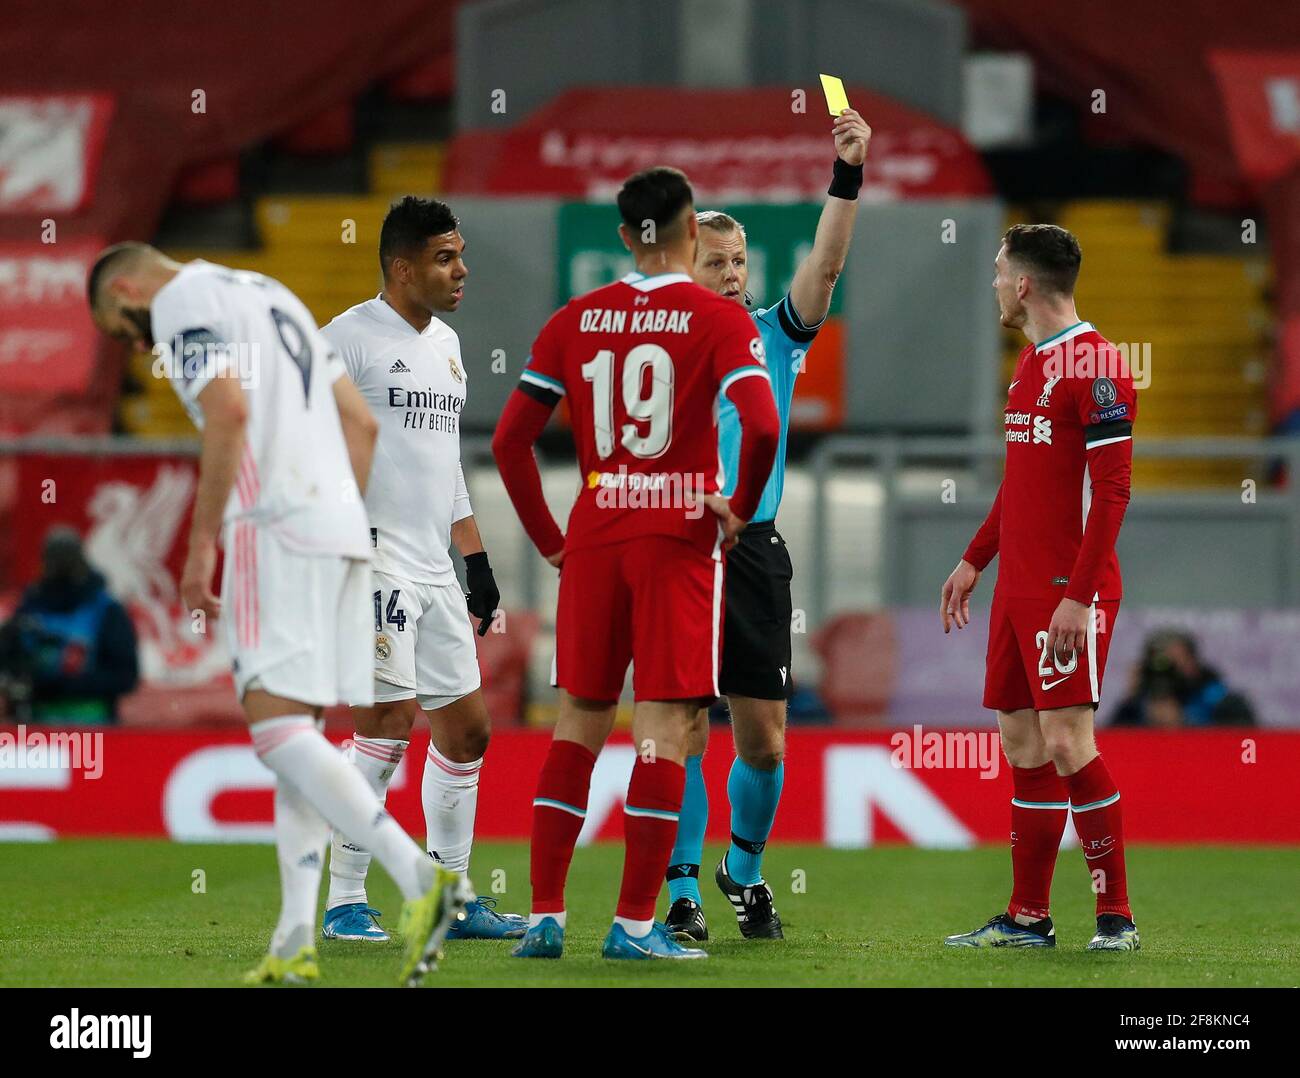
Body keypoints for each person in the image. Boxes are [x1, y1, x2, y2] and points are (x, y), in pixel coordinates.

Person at [86, 242, 468, 986]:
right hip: (343, 528)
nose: (135, 342)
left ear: (128, 285)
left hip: (275, 524)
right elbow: (359, 424)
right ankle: (295, 941)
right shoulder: (269, 292)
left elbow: (226, 408)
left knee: (276, 731)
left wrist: (201, 548)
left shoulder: (181, 303)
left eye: (120, 324)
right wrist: (340, 520)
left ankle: (420, 882)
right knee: (303, 737)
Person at [492, 166, 779, 961]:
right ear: (692, 234)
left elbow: (508, 441)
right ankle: (633, 925)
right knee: (664, 728)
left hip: (593, 535)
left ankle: (544, 916)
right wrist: (742, 507)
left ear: (624, 237)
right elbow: (759, 427)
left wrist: (552, 538)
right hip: (677, 539)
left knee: (577, 724)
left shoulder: (572, 319)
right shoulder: (718, 320)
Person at [663, 106, 871, 943]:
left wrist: (846, 175)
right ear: (683, 264)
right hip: (675, 548)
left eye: (740, 261)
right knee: (677, 723)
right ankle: (679, 891)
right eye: (715, 261)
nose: (731, 273)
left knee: (765, 742)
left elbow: (824, 265)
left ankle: (741, 872)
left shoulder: (772, 335)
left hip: (751, 548)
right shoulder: (656, 343)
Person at [317, 195, 525, 943]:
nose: (462, 269)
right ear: (402, 268)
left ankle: (450, 896)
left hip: (433, 563)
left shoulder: (448, 345)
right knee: (385, 725)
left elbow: (445, 465)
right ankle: (344, 901)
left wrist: (476, 557)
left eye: (461, 253)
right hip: (371, 558)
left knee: (467, 731)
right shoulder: (346, 339)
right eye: (445, 257)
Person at [939, 224, 1140, 952]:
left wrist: (1078, 597)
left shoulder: (1100, 366)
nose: (994, 283)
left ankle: (1115, 915)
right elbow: (1022, 483)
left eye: (998, 271)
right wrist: (974, 559)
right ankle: (1029, 918)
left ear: (1023, 284)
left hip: (1067, 590)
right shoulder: (1030, 365)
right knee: (1022, 743)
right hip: (1018, 589)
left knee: (1066, 739)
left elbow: (1112, 495)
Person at [0, 527, 138, 724]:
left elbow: (125, 676)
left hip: (93, 729)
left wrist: (56, 686)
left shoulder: (106, 611)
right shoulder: (29, 608)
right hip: (36, 726)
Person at [1111, 629, 1255, 727]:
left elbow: (1241, 741)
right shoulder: (1136, 706)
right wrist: (1131, 700)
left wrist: (1184, 723)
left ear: (1192, 662)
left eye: (1174, 662)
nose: (1166, 671)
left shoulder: (1222, 701)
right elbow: (1114, 746)